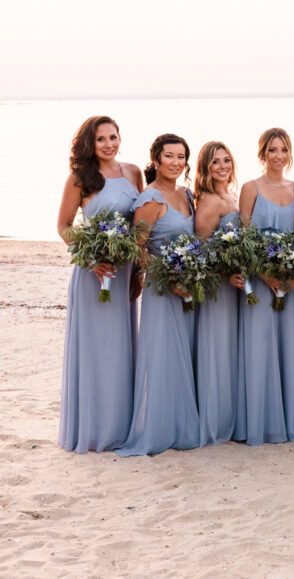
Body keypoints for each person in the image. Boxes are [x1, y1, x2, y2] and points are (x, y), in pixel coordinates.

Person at [56, 116, 144, 453]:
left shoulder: (133, 173)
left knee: (121, 349)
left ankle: (121, 427)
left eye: (113, 137)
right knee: (96, 352)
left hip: (123, 275)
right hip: (94, 275)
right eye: (101, 139)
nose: (108, 144)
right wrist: (92, 260)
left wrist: (137, 273)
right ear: (89, 144)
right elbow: (64, 227)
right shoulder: (80, 178)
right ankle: (94, 430)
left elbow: (140, 225)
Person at [117, 134, 200, 457]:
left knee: (184, 353)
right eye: (169, 156)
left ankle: (182, 423)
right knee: (162, 353)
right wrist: (169, 278)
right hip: (162, 287)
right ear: (155, 159)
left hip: (188, 285)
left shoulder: (186, 194)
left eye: (181, 157)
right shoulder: (150, 199)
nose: (176, 163)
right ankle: (158, 427)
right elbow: (138, 247)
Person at [238, 128, 294, 445]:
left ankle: (289, 419)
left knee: (288, 346)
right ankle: (259, 422)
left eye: (284, 150)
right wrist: (266, 274)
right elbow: (244, 237)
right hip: (260, 278)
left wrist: (292, 273)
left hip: (290, 281)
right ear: (262, 153)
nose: (278, 156)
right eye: (272, 150)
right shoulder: (250, 188)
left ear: (290, 154)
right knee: (260, 346)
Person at [194, 141, 245, 446]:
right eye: (216, 162)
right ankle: (214, 422)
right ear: (206, 168)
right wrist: (227, 272)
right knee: (217, 348)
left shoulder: (232, 196)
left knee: (230, 350)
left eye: (226, 160)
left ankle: (230, 416)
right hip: (217, 289)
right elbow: (201, 249)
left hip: (235, 286)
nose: (223, 166)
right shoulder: (211, 201)